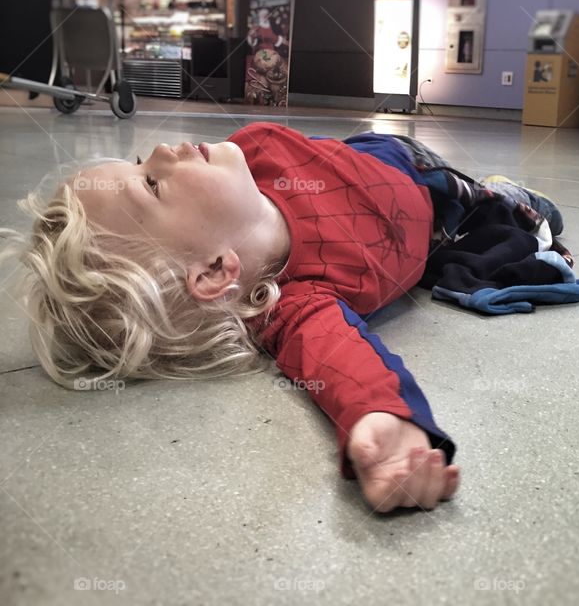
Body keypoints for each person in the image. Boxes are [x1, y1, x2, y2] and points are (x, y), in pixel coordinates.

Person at [2, 123, 474, 513]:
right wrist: (382, 420)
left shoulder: (258, 149)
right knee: (520, 216)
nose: (163, 149)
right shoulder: (293, 303)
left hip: (376, 147)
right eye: (151, 182)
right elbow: (338, 358)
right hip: (442, 202)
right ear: (211, 270)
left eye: (140, 160)